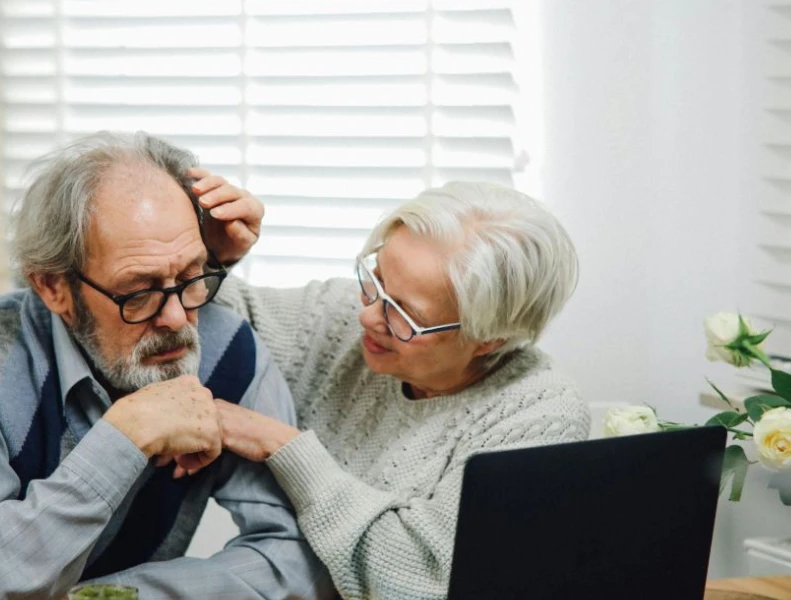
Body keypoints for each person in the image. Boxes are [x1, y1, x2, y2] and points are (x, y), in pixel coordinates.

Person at [0, 132, 334, 599]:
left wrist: (117, 597)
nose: (179, 317)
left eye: (192, 274)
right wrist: (126, 437)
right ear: (53, 287)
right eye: (139, 291)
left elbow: (298, 556)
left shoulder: (226, 348)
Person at [200, 181, 591, 600]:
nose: (368, 315)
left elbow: (422, 582)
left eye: (405, 313)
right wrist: (212, 257)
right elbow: (215, 323)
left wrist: (283, 446)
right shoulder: (342, 316)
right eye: (376, 278)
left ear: (489, 338)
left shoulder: (537, 417)